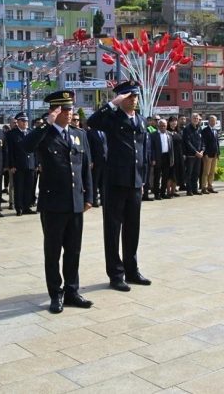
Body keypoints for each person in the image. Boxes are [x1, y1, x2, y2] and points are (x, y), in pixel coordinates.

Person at [23, 90, 94, 313]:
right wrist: (46, 124)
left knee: (73, 250)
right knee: (53, 252)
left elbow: (86, 168)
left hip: (75, 201)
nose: (69, 112)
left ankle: (72, 290)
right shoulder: (44, 134)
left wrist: (89, 196)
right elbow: (26, 146)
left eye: (70, 108)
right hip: (53, 203)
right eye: (63, 109)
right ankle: (56, 293)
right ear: (54, 111)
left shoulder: (79, 134)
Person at [87, 80, 151, 292]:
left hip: (134, 182)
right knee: (113, 229)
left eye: (134, 96)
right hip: (115, 182)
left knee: (133, 228)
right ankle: (116, 274)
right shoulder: (112, 119)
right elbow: (92, 121)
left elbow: (144, 153)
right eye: (128, 96)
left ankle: (132, 270)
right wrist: (113, 103)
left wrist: (143, 180)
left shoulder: (141, 120)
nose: (133, 100)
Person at [5, 112, 37, 216]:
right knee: (19, 188)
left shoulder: (31, 132)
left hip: (30, 164)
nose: (25, 123)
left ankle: (27, 207)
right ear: (17, 122)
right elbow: (9, 151)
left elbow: (35, 149)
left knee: (29, 187)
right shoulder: (11, 134)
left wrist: (36, 163)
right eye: (23, 121)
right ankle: (19, 208)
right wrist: (11, 165)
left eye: (26, 121)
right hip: (18, 165)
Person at [150, 119, 174, 200]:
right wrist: (153, 159)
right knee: (157, 177)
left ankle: (163, 193)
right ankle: (157, 194)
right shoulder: (153, 135)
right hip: (158, 158)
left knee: (165, 176)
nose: (163, 127)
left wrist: (172, 159)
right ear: (158, 126)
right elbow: (151, 148)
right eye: (161, 126)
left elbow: (171, 148)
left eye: (165, 125)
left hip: (167, 157)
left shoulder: (169, 134)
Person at [182, 113, 204, 196]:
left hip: (199, 155)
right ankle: (189, 190)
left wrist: (202, 151)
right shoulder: (187, 129)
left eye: (197, 118)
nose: (196, 119)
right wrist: (196, 152)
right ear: (191, 119)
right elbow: (187, 142)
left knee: (196, 173)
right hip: (191, 155)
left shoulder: (199, 129)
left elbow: (202, 141)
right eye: (194, 118)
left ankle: (195, 189)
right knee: (189, 173)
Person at [87, 125, 106, 207]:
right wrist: (90, 160)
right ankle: (94, 200)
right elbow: (88, 147)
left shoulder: (104, 132)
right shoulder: (91, 132)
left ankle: (104, 200)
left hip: (105, 161)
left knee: (104, 182)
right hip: (95, 161)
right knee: (95, 181)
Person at [201, 115, 221, 194]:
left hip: (214, 154)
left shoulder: (215, 130)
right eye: (211, 120)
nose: (213, 122)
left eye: (214, 121)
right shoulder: (205, 131)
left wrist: (218, 153)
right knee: (206, 172)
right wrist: (205, 153)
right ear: (208, 121)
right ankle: (203, 187)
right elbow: (203, 143)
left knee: (212, 172)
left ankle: (210, 186)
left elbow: (217, 143)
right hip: (208, 154)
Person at [166, 116, 184, 197]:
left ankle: (173, 191)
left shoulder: (178, 132)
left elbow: (182, 143)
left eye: (175, 121)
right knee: (170, 174)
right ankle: (168, 192)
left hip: (179, 155)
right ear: (169, 122)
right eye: (172, 121)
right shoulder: (166, 132)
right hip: (170, 156)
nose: (174, 122)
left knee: (176, 173)